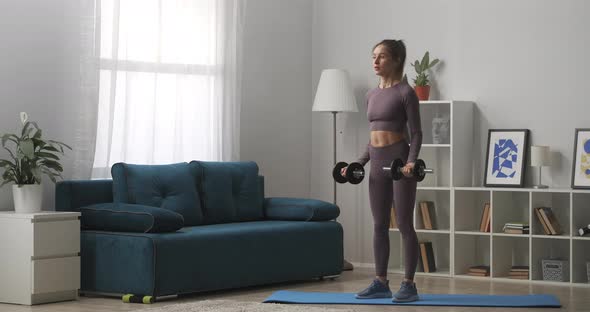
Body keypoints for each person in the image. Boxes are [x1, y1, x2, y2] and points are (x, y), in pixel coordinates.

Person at [342, 39, 422, 302]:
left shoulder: (406, 93)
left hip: (400, 164)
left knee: (405, 224)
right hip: (377, 164)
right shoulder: (370, 94)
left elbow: (416, 133)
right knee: (378, 225)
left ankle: (409, 284)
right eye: (373, 56)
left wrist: (411, 162)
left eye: (382, 57)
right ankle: (381, 282)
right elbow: (373, 137)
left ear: (397, 60)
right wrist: (358, 163)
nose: (375, 62)